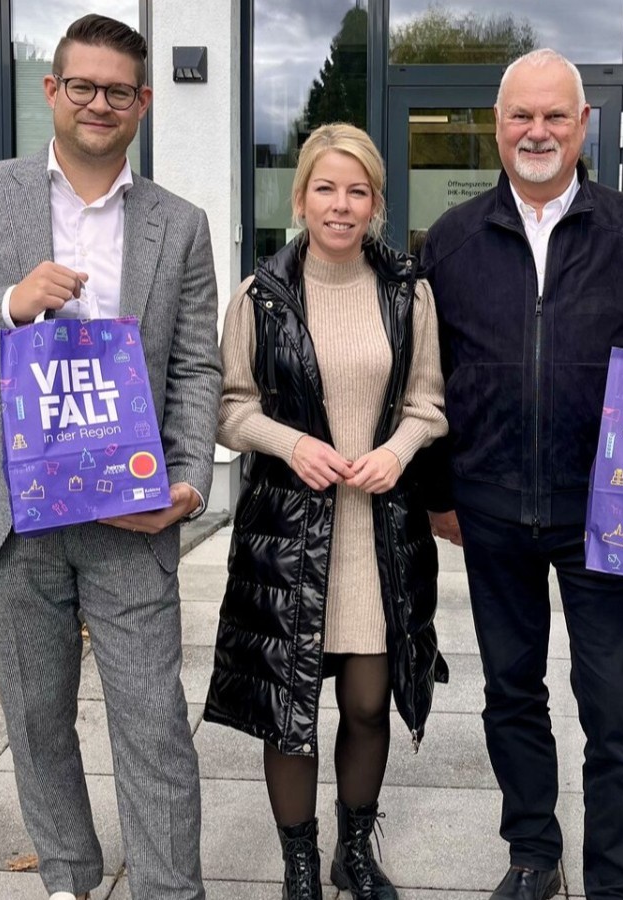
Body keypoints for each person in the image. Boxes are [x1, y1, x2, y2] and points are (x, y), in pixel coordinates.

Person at [0, 15, 221, 900]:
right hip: (10, 513)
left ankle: (168, 890)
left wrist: (187, 480)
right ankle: (68, 879)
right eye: (83, 86)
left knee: (154, 724)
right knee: (36, 720)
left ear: (143, 103)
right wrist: (7, 304)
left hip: (129, 514)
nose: (99, 103)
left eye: (118, 90)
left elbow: (195, 364)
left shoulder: (179, 225)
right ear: (52, 92)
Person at [419, 49, 623, 900]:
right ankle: (533, 851)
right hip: (491, 509)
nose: (537, 132)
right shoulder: (451, 241)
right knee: (510, 693)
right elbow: (430, 375)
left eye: (554, 117)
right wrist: (440, 491)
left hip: (607, 514)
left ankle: (614, 877)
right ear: (496, 127)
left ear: (583, 125)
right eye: (520, 117)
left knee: (616, 708)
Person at [203, 123, 448, 900]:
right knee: (290, 707)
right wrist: (289, 442)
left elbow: (428, 403)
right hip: (288, 535)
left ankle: (354, 851)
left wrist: (399, 451)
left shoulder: (409, 292)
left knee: (370, 702)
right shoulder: (261, 294)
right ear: (300, 196)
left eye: (357, 191)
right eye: (325, 188)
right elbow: (228, 407)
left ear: (376, 202)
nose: (341, 206)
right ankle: (300, 867)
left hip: (379, 534)